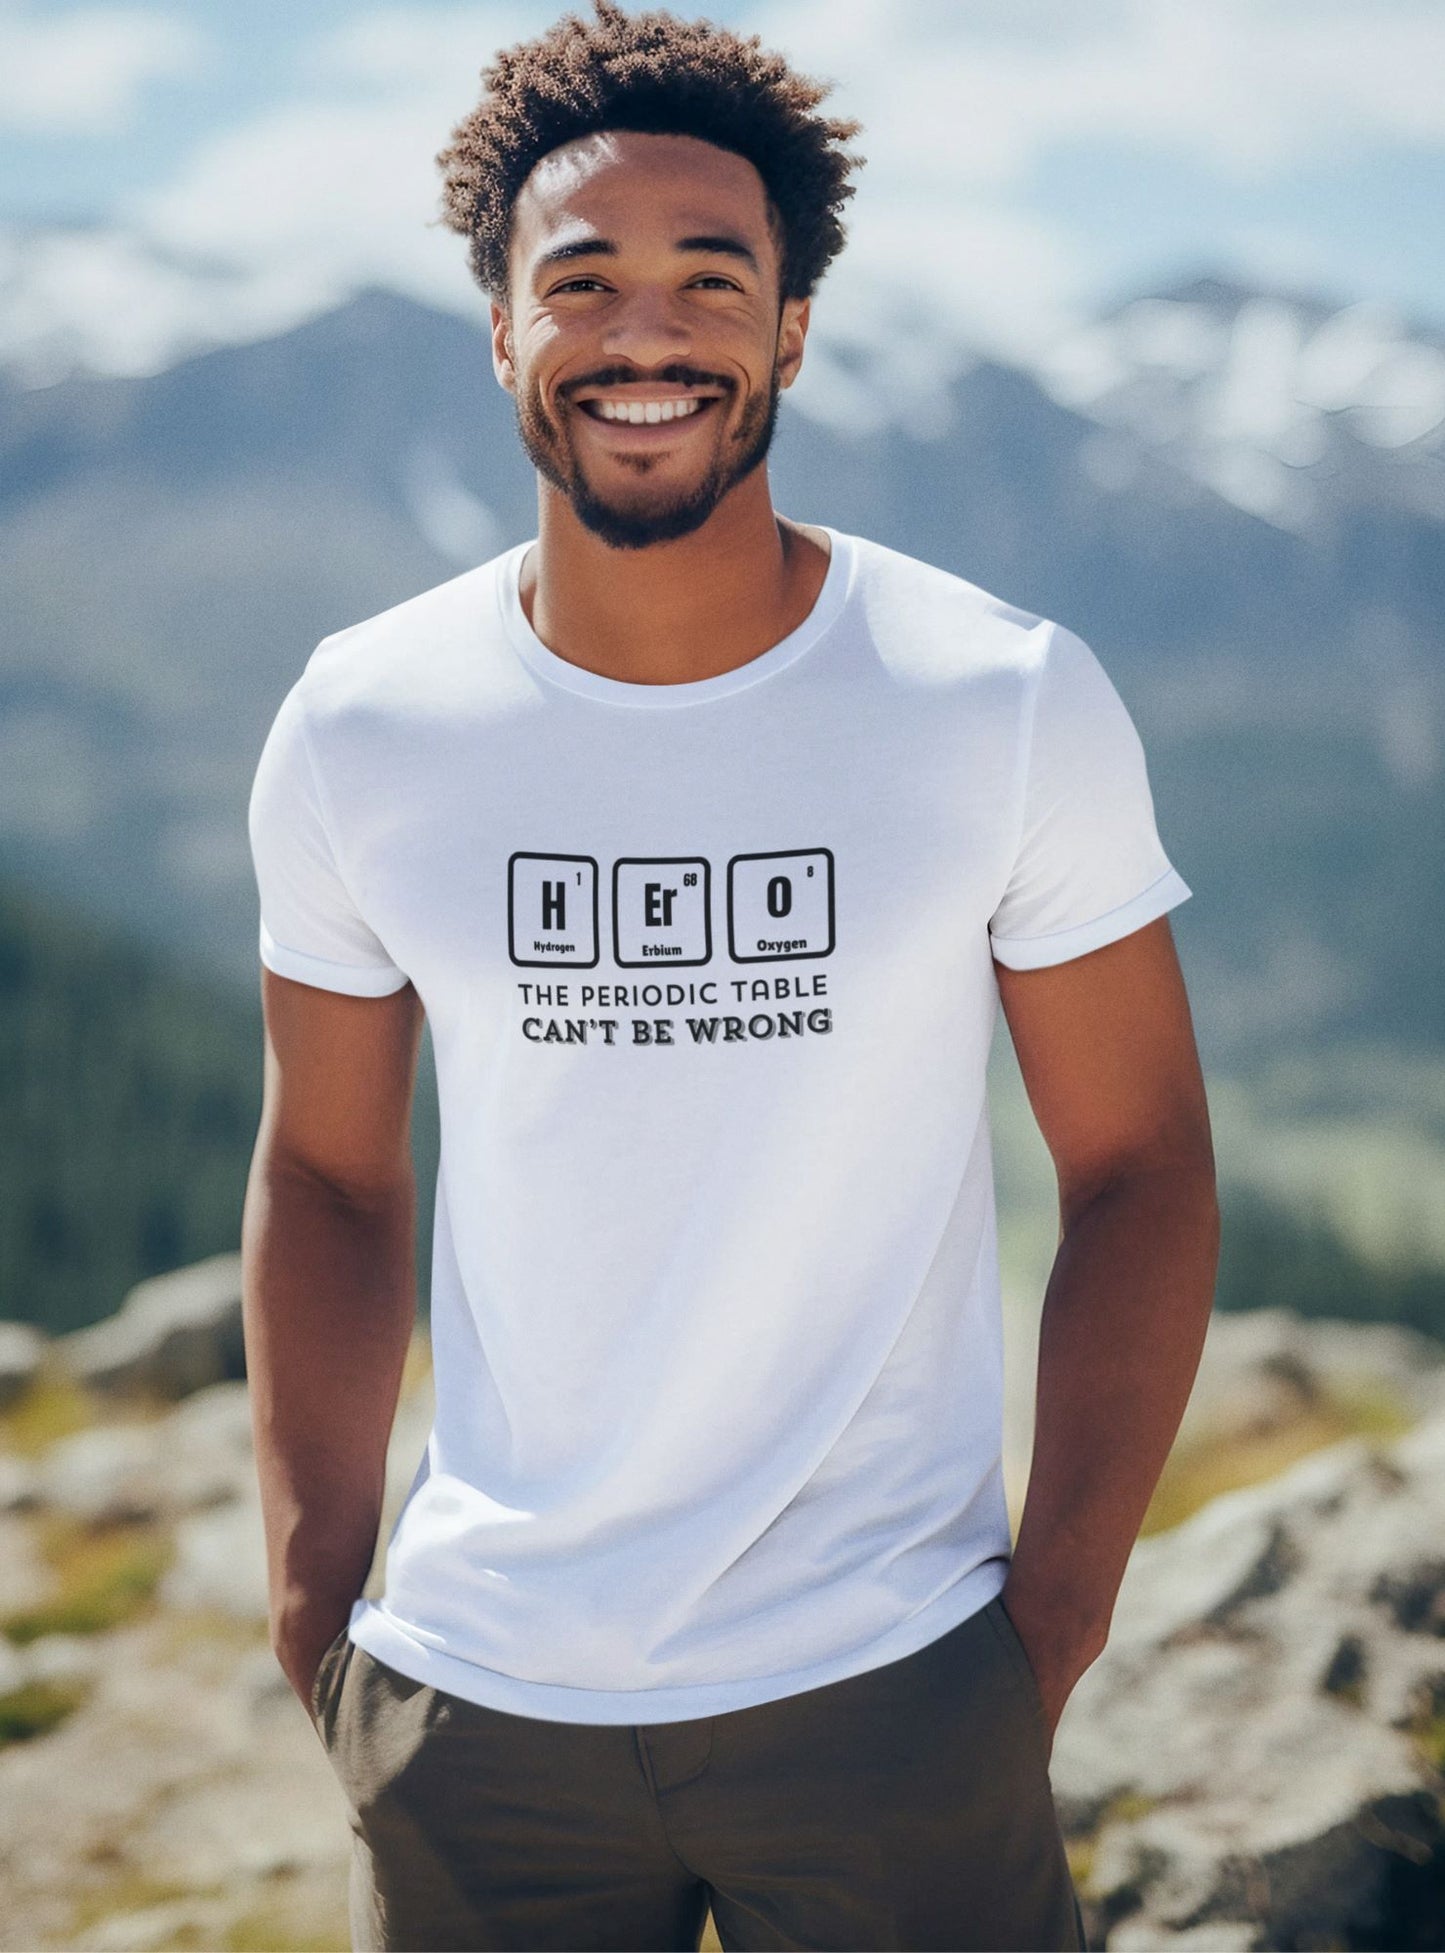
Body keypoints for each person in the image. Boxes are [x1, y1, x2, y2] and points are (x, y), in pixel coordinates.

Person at [242, 3, 1220, 1948]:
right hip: (478, 1711)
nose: (644, 330)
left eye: (713, 276)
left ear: (788, 329)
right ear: (502, 328)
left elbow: (1143, 1164)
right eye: (581, 277)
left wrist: (1053, 1615)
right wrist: (316, 1602)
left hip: (892, 1687)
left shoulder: (997, 697)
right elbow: (331, 1174)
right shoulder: (366, 720)